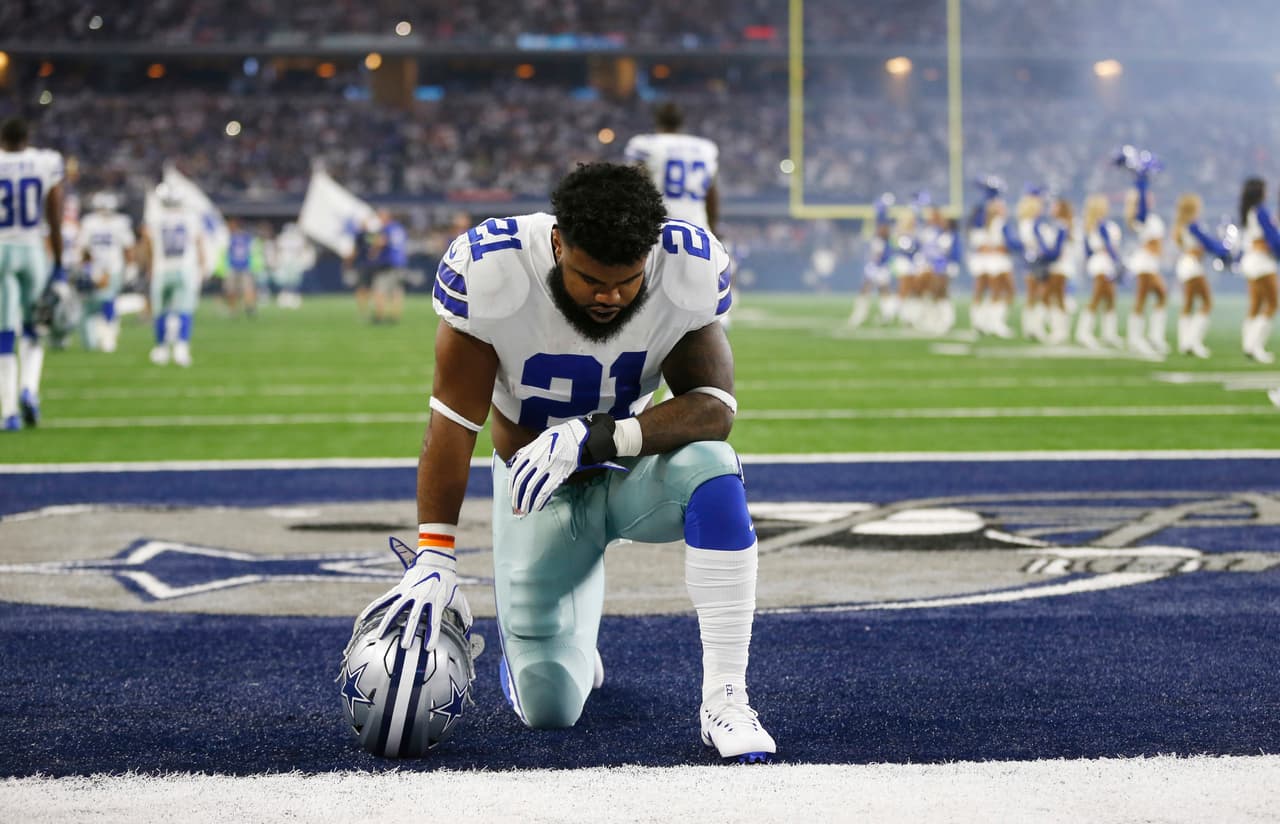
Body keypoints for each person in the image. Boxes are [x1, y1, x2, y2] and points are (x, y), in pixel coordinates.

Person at [355, 162, 774, 763]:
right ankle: (561, 636)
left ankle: (726, 699)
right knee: (551, 711)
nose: (610, 296)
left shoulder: (686, 266)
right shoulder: (492, 270)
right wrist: (434, 552)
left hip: (628, 474)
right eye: (590, 279)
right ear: (557, 243)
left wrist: (595, 437)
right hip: (536, 493)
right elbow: (452, 424)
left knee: (713, 464)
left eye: (627, 282)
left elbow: (714, 407)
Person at [0, 116, 65, 430]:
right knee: (33, 327)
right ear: (26, 138)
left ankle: (9, 411)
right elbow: (55, 214)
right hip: (31, 249)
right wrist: (60, 264)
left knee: (3, 335)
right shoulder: (45, 161)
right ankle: (29, 388)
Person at [140, 182, 206, 367]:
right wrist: (202, 264)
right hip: (185, 269)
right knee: (184, 309)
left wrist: (148, 266)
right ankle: (181, 347)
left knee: (161, 310)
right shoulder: (190, 217)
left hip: (162, 268)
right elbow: (199, 242)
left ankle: (161, 348)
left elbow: (148, 244)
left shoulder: (154, 217)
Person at [1171, 193, 1233, 359]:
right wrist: (1225, 250)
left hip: (1185, 265)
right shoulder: (1193, 225)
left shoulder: (1182, 226)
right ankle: (1193, 342)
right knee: (1206, 303)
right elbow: (1208, 243)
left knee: (1189, 304)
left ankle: (1185, 343)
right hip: (1192, 266)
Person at [75, 191, 136, 352]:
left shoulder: (119, 223)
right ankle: (97, 336)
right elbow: (84, 248)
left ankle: (108, 335)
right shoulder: (90, 222)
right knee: (91, 304)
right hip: (95, 269)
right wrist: (86, 267)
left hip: (113, 268)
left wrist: (130, 266)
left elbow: (128, 247)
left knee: (108, 301)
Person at [1237, 177, 1279, 363]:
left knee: (1255, 304)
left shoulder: (1248, 212)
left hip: (1250, 262)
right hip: (1262, 263)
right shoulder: (1261, 211)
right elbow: (1272, 238)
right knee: (1272, 304)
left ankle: (1248, 344)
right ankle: (1255, 346)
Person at [1076, 194, 1124, 349]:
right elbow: (1109, 246)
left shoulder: (1090, 225)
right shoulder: (1101, 225)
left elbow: (1087, 250)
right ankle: (1083, 332)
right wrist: (1118, 261)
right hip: (1103, 263)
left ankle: (1109, 334)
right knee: (1097, 298)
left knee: (1109, 298)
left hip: (1099, 262)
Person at [367, 208, 409, 324]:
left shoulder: (386, 228)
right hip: (400, 262)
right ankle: (395, 316)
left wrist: (373, 250)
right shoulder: (399, 228)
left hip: (388, 263)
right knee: (397, 290)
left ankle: (379, 316)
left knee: (379, 289)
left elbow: (381, 242)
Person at [268, 221, 314, 309]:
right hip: (285, 262)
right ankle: (285, 297)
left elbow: (303, 248)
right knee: (286, 281)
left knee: (293, 281)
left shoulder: (296, 238)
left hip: (293, 262)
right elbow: (278, 249)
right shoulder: (284, 238)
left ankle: (293, 297)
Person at [223, 217, 259, 316]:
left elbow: (227, 251)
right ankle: (249, 307)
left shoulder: (231, 237)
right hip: (244, 266)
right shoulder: (247, 237)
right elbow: (252, 251)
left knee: (233, 289)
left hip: (235, 265)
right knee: (246, 288)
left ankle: (234, 310)